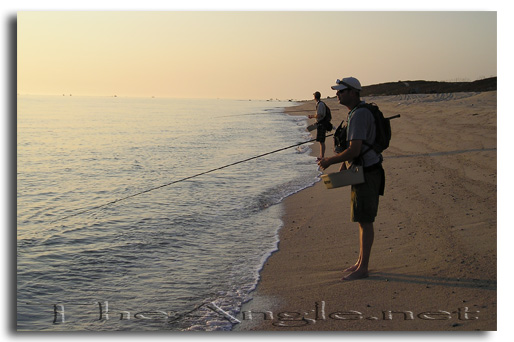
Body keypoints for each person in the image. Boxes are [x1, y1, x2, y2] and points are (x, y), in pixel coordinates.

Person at [318, 77, 385, 281]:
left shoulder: (359, 115)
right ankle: (360, 261)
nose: (338, 94)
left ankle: (363, 268)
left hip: (367, 173)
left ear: (354, 92)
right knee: (361, 219)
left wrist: (330, 160)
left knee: (365, 220)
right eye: (338, 91)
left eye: (341, 91)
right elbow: (355, 150)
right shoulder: (356, 112)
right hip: (362, 171)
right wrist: (344, 164)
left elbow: (354, 149)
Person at [308, 91, 327, 160]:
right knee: (321, 141)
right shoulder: (320, 104)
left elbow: (319, 115)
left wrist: (312, 116)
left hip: (322, 124)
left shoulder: (320, 104)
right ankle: (321, 155)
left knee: (321, 141)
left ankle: (322, 156)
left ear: (315, 97)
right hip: (321, 123)